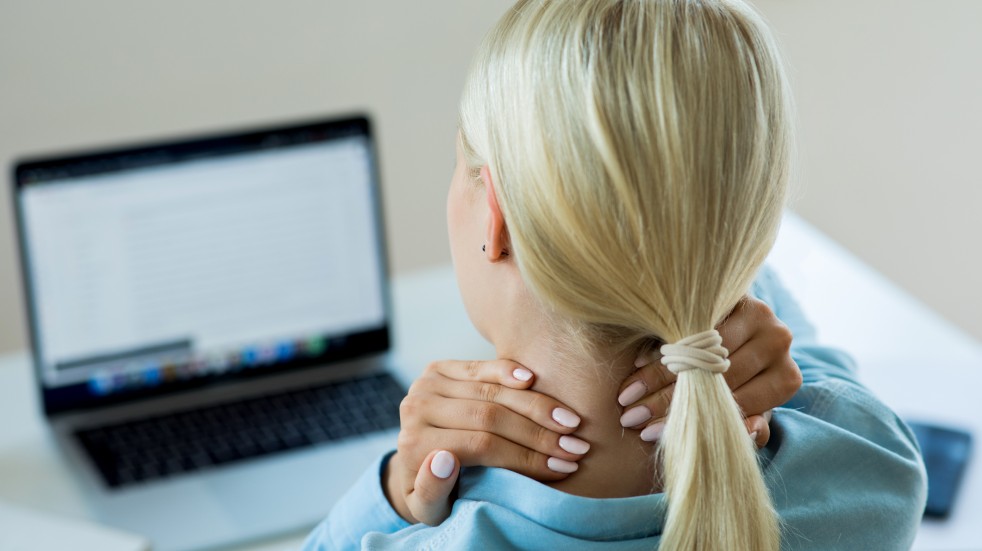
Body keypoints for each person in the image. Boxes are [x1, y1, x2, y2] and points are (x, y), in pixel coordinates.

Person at [304, 0, 927, 549]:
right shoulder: (873, 471)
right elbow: (836, 390)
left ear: (494, 216)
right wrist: (722, 291)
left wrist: (393, 489)